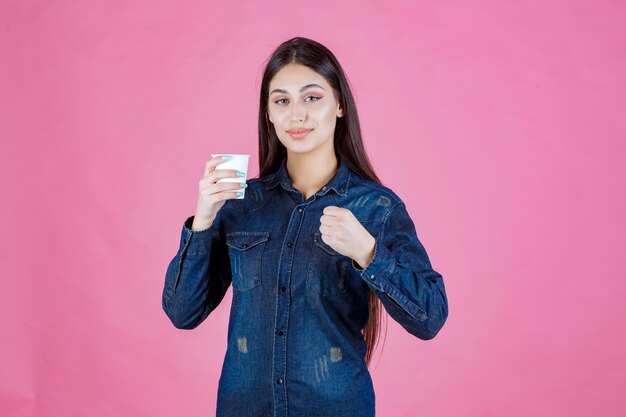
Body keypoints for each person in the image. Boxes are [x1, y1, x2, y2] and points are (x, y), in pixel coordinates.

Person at [162, 36, 448, 417]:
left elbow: (430, 318)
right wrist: (203, 219)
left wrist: (368, 252)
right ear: (268, 113)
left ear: (340, 105)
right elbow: (183, 313)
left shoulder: (376, 207)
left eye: (312, 98)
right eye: (282, 101)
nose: (296, 115)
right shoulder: (241, 204)